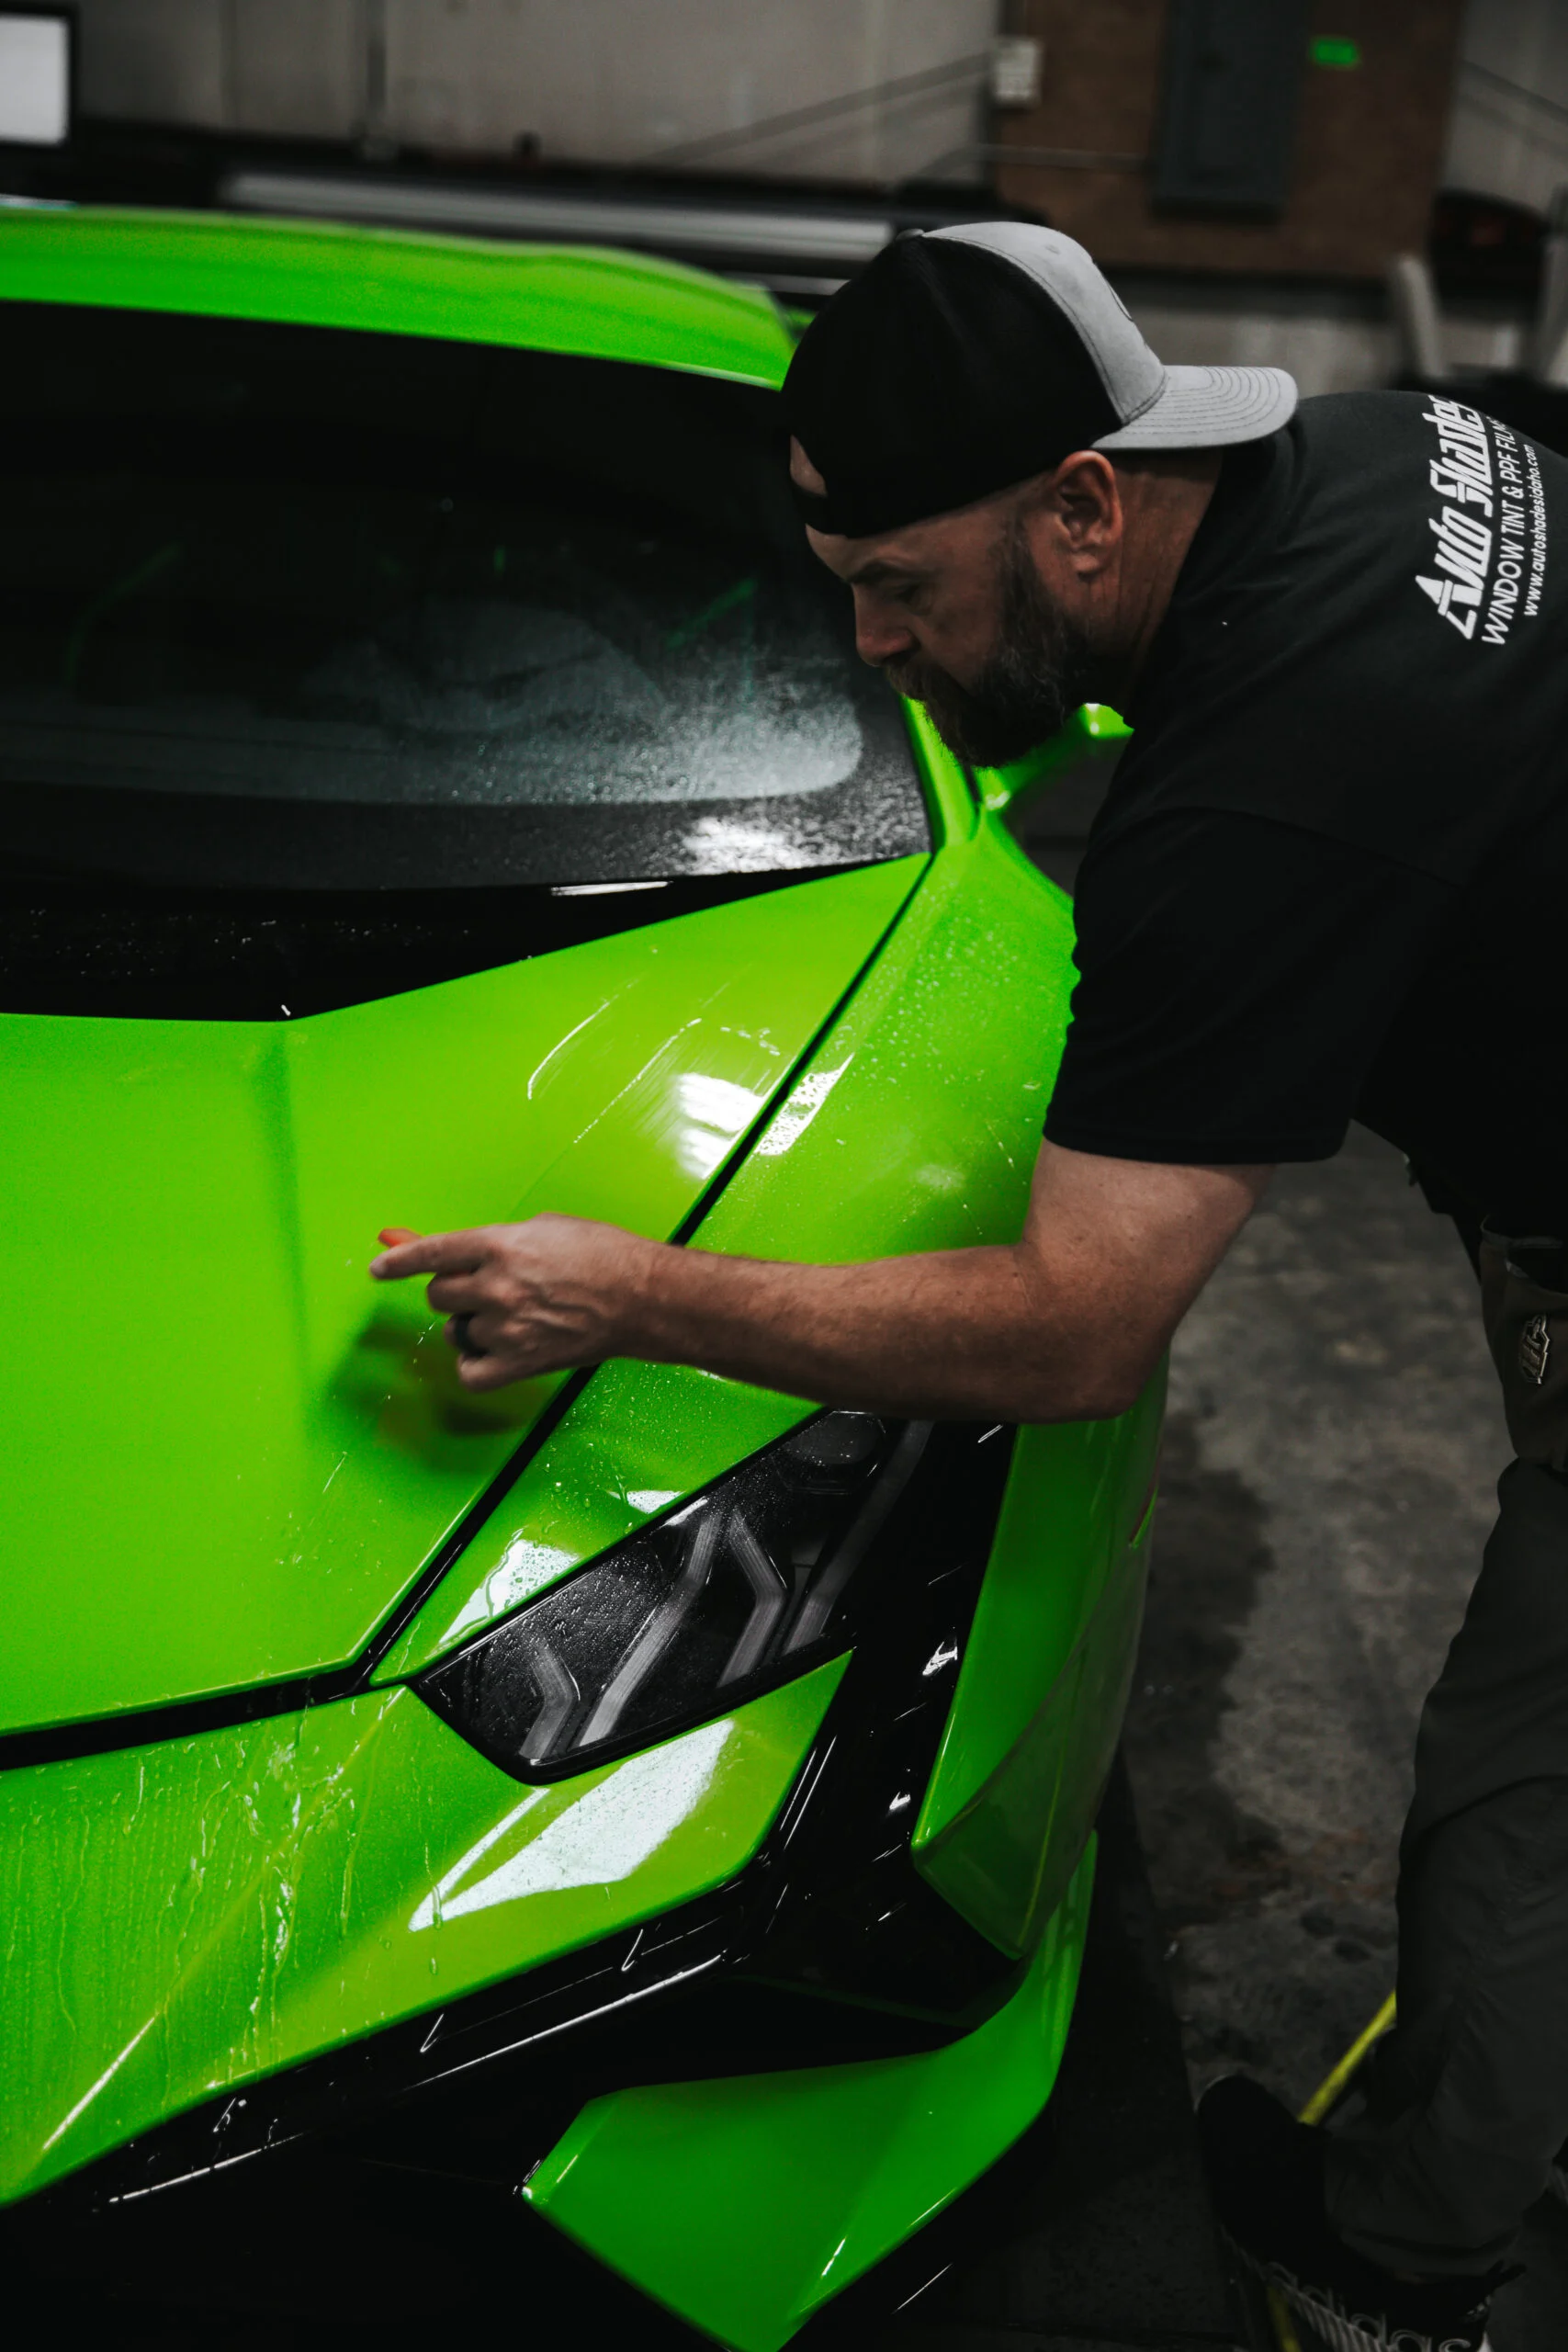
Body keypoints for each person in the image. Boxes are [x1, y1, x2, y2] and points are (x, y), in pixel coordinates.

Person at [372, 221, 1568, 2352]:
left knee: (1519, 1801)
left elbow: (1077, 1327)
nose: (873, 647)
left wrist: (627, 1290)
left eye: (898, 584)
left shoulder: (1252, 808)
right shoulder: (1407, 445)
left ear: (1087, 504)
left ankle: (1404, 2256)